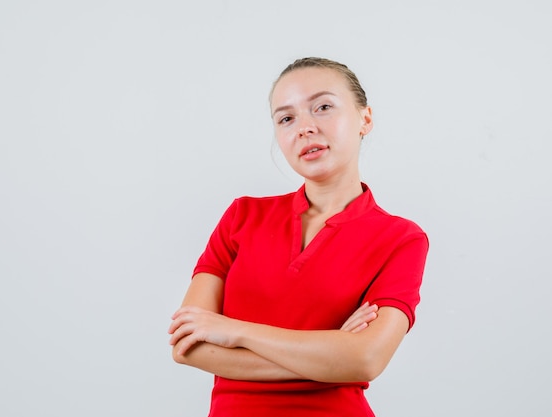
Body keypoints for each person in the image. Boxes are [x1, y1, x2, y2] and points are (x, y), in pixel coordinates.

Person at [168, 57, 429, 416]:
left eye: (323, 107)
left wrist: (235, 332)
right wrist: (332, 357)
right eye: (286, 118)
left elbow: (366, 359)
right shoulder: (242, 216)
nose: (304, 128)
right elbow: (187, 345)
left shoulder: (401, 238)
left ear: (365, 119)